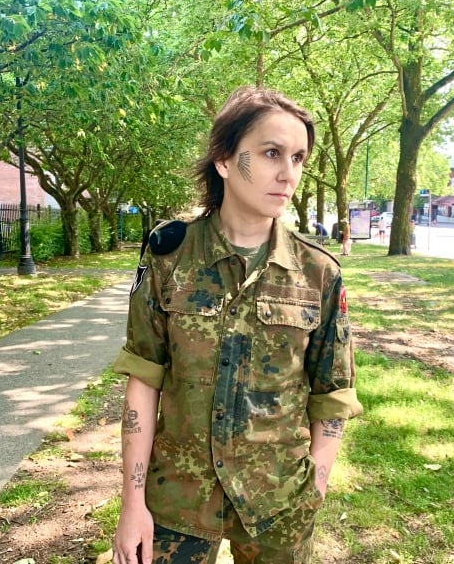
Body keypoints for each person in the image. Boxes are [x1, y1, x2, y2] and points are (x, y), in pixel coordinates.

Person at [112, 86, 363, 564]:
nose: (288, 173)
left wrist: (316, 486)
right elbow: (143, 382)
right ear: (225, 160)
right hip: (178, 498)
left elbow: (331, 394)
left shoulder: (319, 273)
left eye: (298, 157)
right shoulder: (169, 258)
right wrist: (132, 505)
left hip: (280, 501)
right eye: (271, 153)